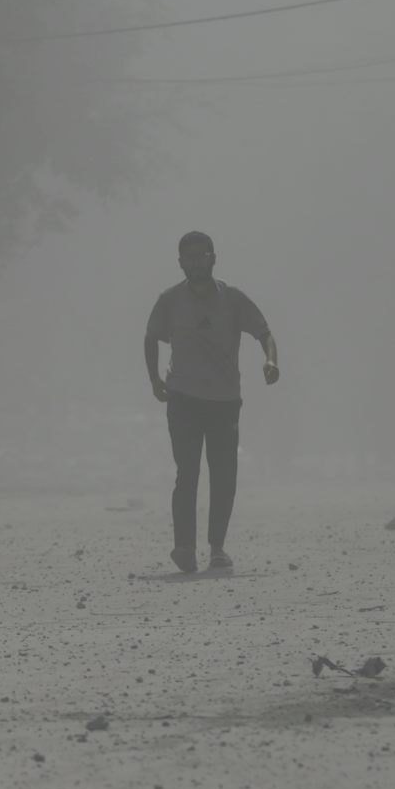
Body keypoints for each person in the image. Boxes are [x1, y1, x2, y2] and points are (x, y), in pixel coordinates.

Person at [144, 231, 278, 574]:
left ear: (213, 258)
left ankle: (217, 548)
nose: (195, 264)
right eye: (188, 258)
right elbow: (151, 337)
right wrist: (155, 380)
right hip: (183, 399)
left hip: (223, 401)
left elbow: (264, 332)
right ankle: (185, 547)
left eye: (201, 256)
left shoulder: (232, 299)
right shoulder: (170, 300)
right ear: (180, 263)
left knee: (223, 475)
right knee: (186, 473)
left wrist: (271, 361)